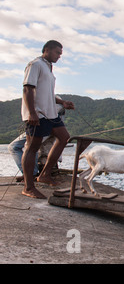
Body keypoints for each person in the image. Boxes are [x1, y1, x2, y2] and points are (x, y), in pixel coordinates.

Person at [21, 40, 75, 199]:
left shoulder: (48, 68)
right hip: (38, 114)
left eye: (60, 54)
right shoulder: (35, 64)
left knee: (64, 137)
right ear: (47, 50)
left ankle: (44, 175)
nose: (59, 56)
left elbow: (46, 93)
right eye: (57, 53)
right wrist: (31, 112)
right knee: (32, 147)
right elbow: (27, 88)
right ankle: (28, 187)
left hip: (51, 114)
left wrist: (62, 102)